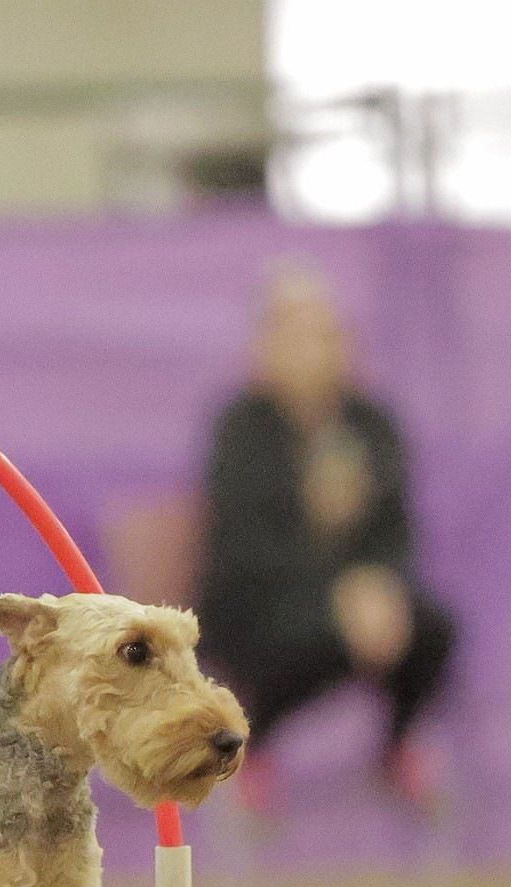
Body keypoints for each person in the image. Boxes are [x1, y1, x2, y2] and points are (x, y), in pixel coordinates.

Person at [195, 270, 457, 814]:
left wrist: (376, 587)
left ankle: (396, 747)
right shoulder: (240, 430)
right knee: (311, 634)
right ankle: (252, 744)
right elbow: (242, 544)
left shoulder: (371, 424)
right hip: (260, 602)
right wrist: (337, 594)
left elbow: (396, 529)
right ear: (264, 347)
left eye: (322, 335)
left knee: (430, 628)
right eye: (292, 335)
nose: (309, 351)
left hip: (365, 601)